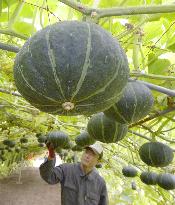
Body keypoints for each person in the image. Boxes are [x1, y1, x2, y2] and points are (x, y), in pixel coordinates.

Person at [39, 142, 108, 205]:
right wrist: (51, 154)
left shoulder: (100, 183)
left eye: (92, 154)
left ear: (98, 161)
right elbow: (49, 176)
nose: (87, 156)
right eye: (86, 152)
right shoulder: (66, 169)